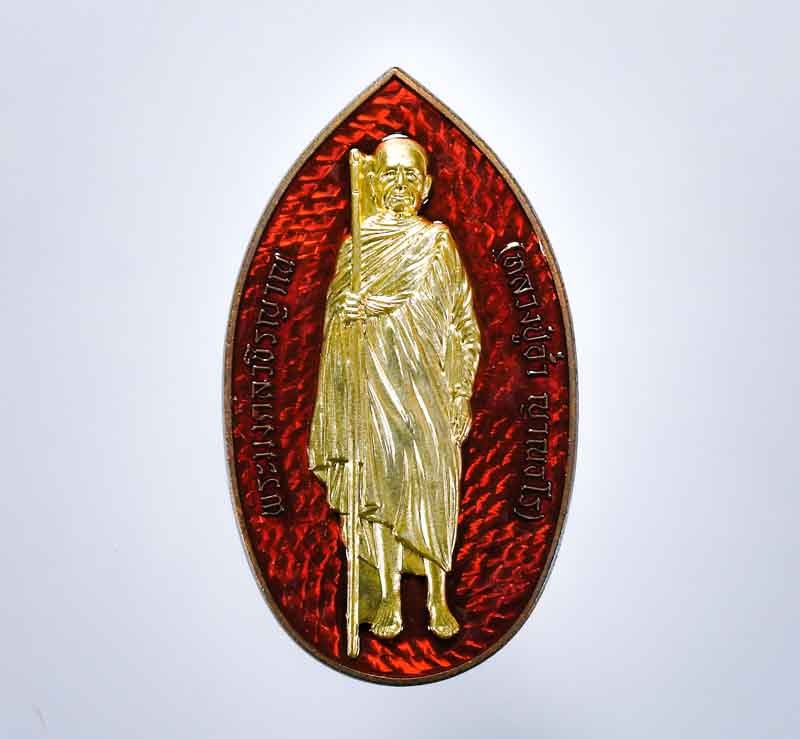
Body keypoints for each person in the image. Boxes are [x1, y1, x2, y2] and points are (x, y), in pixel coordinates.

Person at [308, 135, 480, 639]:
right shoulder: (357, 248)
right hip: (374, 389)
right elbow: (333, 328)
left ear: (425, 187)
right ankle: (387, 596)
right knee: (380, 490)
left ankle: (438, 598)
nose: (400, 184)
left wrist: (460, 392)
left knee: (432, 485)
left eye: (410, 175)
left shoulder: (437, 245)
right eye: (390, 174)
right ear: (375, 184)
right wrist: (346, 313)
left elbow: (461, 324)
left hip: (428, 390)